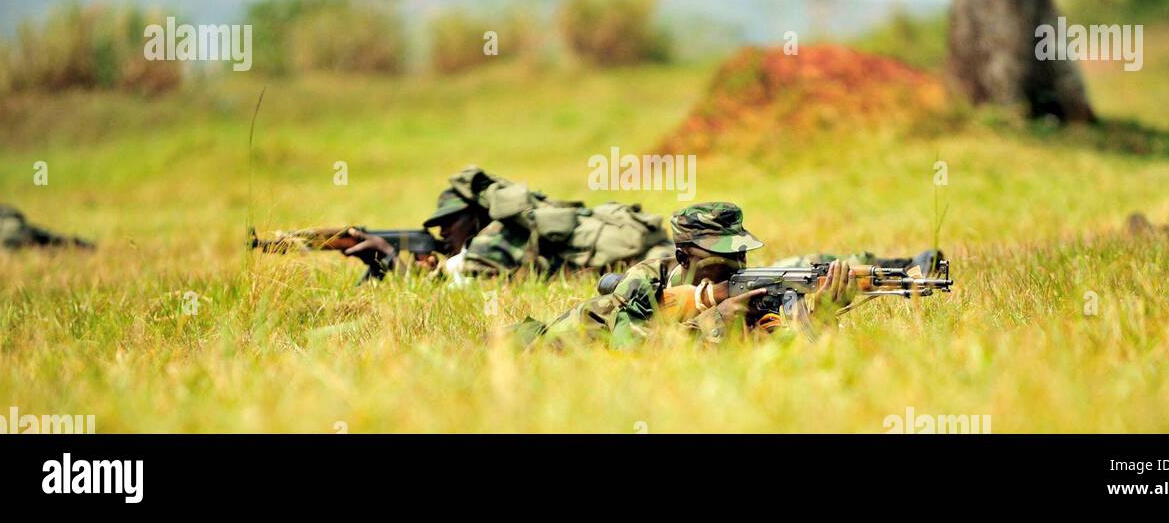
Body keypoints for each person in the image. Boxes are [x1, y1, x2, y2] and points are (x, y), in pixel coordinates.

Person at [528, 202, 941, 347]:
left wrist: (826, 310)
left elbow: (795, 354)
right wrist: (717, 317)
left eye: (738, 256)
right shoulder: (645, 282)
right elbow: (639, 354)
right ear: (683, 255)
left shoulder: (745, 288)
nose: (734, 267)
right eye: (719, 259)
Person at [341, 166, 674, 280]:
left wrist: (387, 256)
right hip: (651, 245)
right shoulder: (510, 231)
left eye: (451, 222)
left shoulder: (493, 241)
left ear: (476, 217)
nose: (443, 232)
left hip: (653, 260)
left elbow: (440, 292)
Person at [0, 194, 92, 250]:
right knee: (55, 239)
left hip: (5, 236)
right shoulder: (3, 208)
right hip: (24, 228)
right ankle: (84, 245)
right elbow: (18, 215)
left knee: (40, 248)